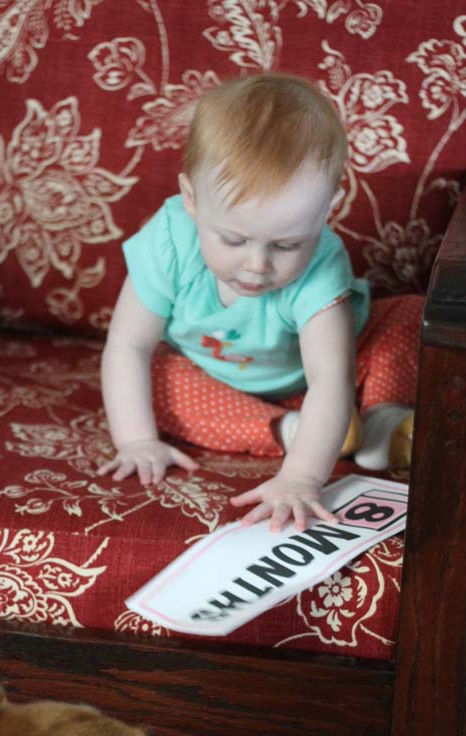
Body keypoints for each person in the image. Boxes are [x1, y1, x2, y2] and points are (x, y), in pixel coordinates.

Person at [98, 72, 419, 532]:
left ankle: (380, 419)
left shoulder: (323, 264)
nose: (256, 266)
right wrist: (135, 441)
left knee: (409, 315)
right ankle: (285, 431)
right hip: (218, 378)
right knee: (152, 376)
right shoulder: (168, 241)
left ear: (328, 207)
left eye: (287, 245)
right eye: (233, 239)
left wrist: (302, 477)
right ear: (191, 199)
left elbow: (332, 376)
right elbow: (128, 343)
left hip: (331, 378)